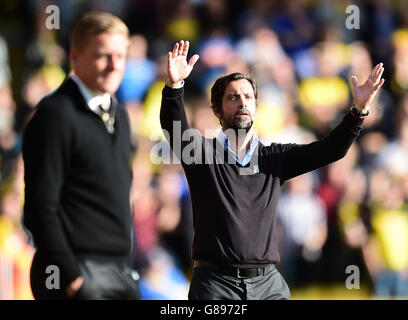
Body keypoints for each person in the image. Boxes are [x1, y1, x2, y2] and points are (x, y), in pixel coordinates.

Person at [160, 40, 385, 300]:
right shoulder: (202, 155)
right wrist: (174, 86)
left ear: (256, 107)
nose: (242, 102)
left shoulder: (274, 157)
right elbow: (173, 127)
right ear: (217, 111)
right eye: (232, 97)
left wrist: (359, 111)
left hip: (268, 285)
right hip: (216, 285)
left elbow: (332, 149)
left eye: (248, 97)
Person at [22, 12, 140, 300]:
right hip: (74, 275)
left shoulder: (121, 116)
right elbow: (40, 208)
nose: (114, 66)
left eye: (120, 56)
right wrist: (71, 277)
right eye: (103, 56)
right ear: (75, 56)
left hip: (121, 271)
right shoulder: (54, 114)